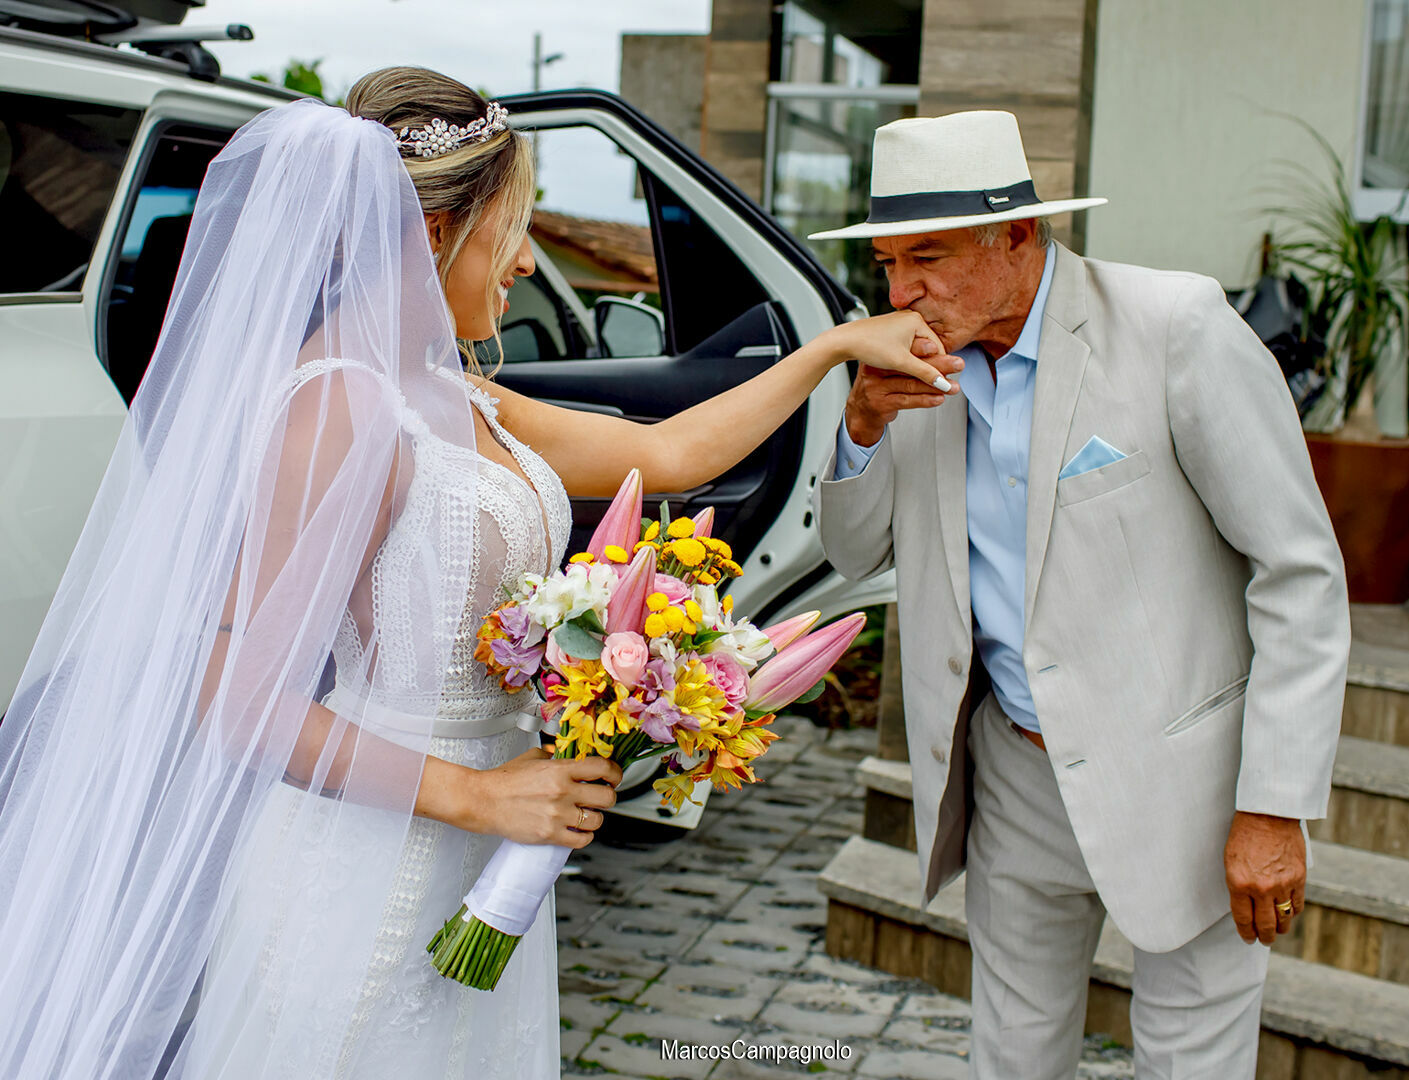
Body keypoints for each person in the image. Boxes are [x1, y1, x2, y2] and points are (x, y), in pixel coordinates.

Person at [0, 69, 951, 1079]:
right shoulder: (336, 407)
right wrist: (481, 799)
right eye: (514, 228)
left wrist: (836, 351)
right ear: (432, 234)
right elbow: (238, 698)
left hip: (481, 847)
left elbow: (670, 453)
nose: (529, 261)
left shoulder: (453, 390)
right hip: (364, 866)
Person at [812, 110, 1350, 1078]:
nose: (901, 291)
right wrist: (857, 423)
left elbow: (1298, 573)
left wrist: (1272, 806)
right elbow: (853, 554)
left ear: (1016, 235)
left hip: (1186, 777)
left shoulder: (1174, 325)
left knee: (1193, 1060)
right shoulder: (908, 365)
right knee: (1012, 1052)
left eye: (926, 257)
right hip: (1010, 770)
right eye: (887, 263)